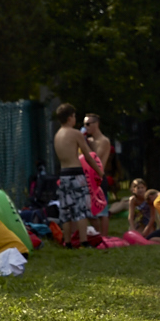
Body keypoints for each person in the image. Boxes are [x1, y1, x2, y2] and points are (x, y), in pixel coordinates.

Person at [53, 103, 103, 248]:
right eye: (74, 116)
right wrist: (99, 172)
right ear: (70, 118)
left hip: (63, 175)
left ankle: (67, 242)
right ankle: (84, 241)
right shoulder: (75, 133)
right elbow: (87, 156)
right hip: (76, 174)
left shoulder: (57, 135)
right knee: (81, 210)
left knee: (66, 211)